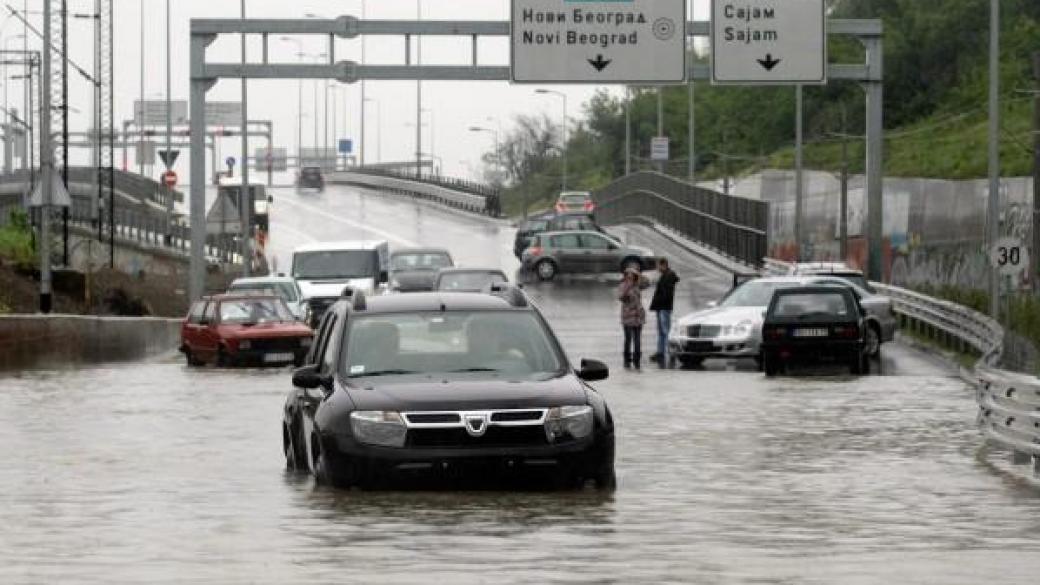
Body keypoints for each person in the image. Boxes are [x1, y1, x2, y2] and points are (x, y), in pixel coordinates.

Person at [649, 258, 680, 366]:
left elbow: (665, 293)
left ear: (664, 265)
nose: (657, 268)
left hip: (664, 308)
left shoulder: (669, 275)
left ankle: (671, 352)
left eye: (659, 266)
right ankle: (660, 352)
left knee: (666, 332)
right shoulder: (665, 275)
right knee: (662, 332)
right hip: (661, 307)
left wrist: (660, 304)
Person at [618, 267, 650, 370]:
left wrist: (638, 274)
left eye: (632, 275)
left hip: (638, 316)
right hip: (628, 317)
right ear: (625, 276)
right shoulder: (623, 285)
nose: (630, 277)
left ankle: (637, 360)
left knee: (637, 340)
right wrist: (628, 287)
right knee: (628, 339)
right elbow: (621, 297)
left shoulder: (638, 285)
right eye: (628, 275)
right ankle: (627, 359)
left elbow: (647, 283)